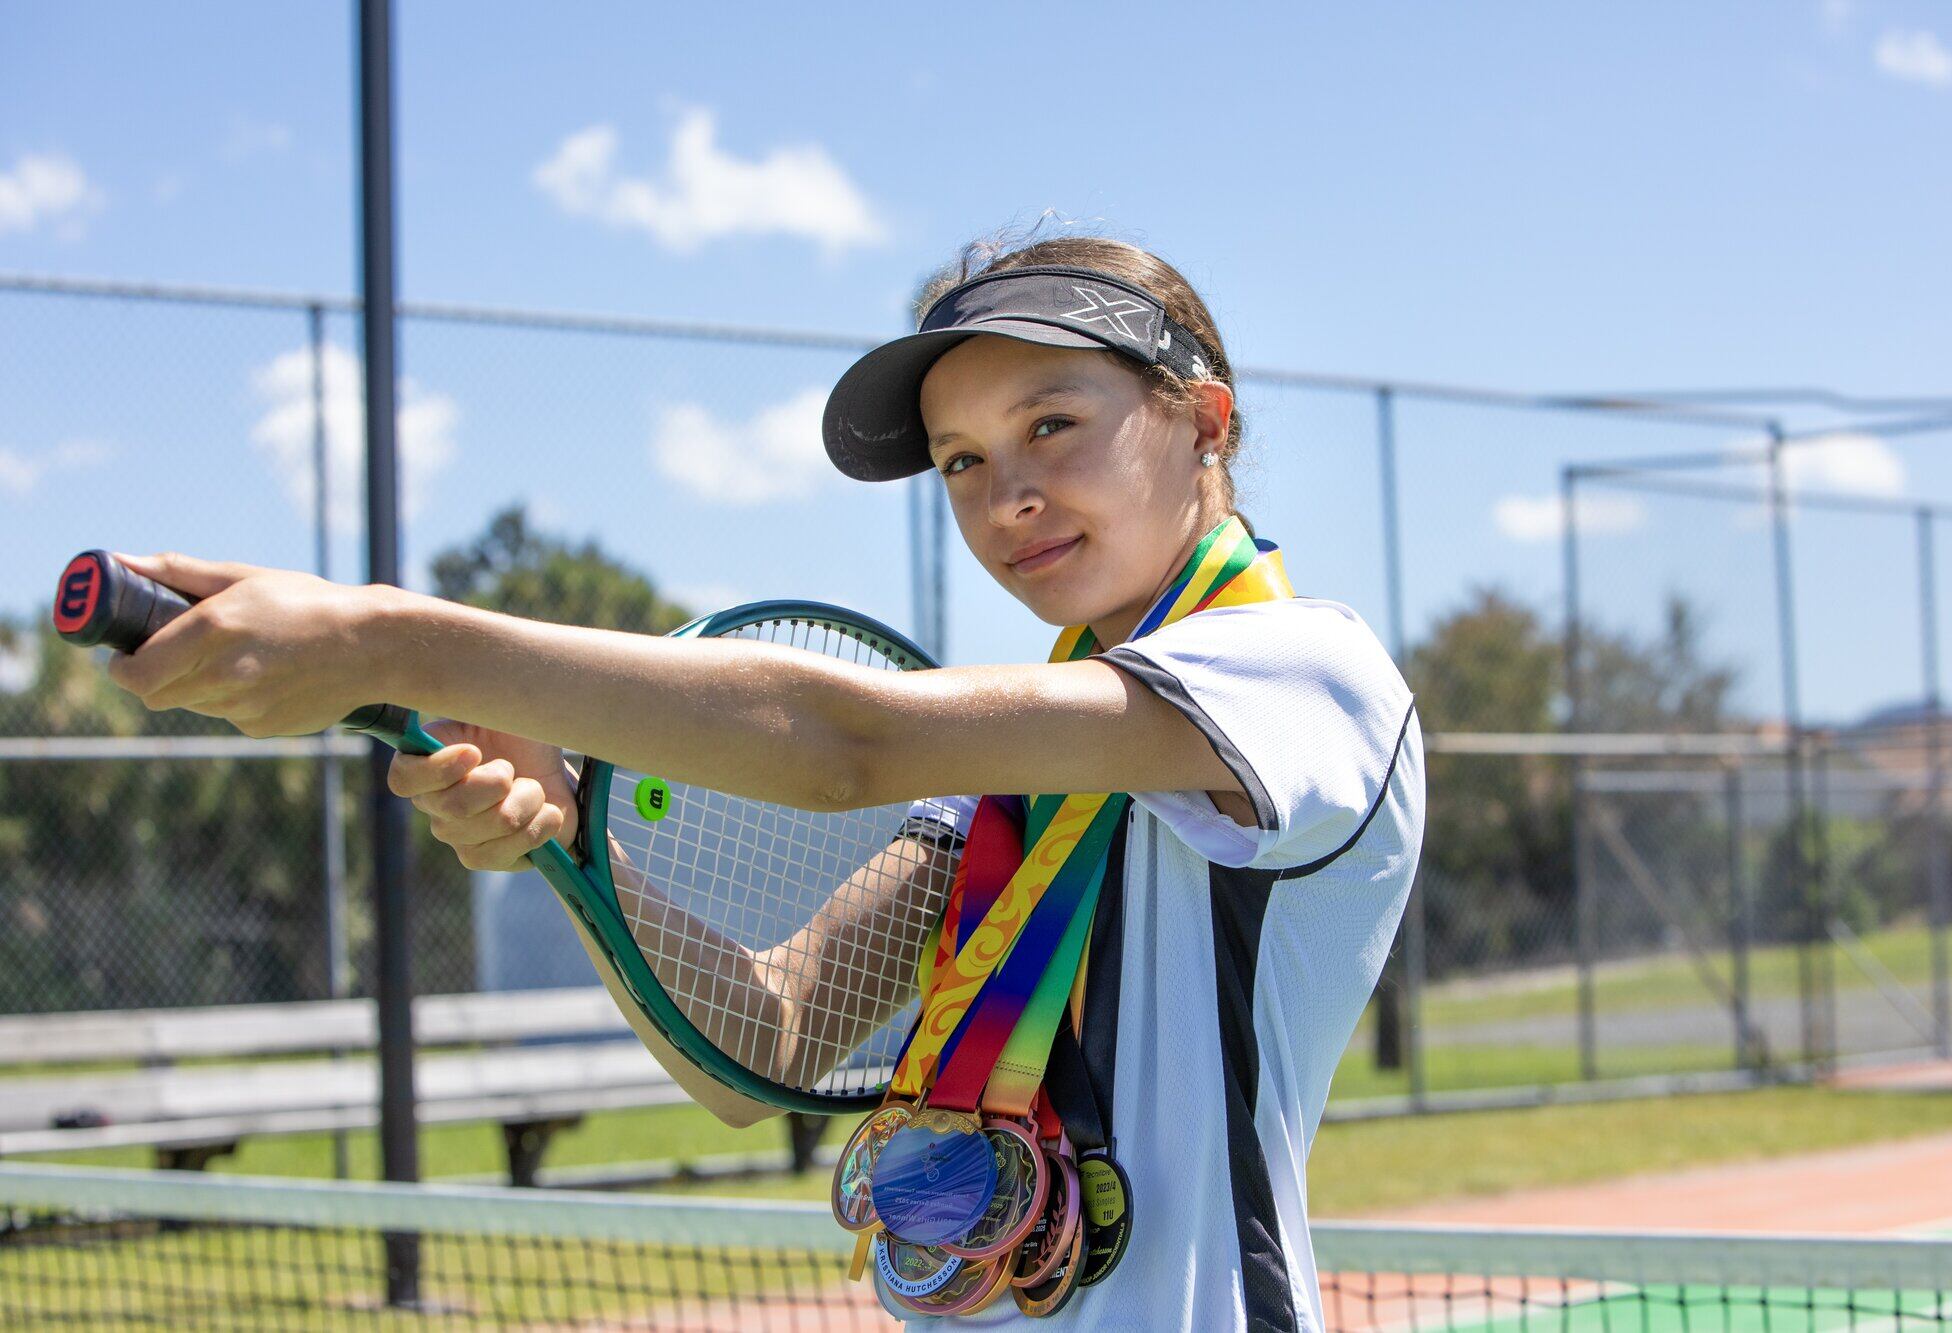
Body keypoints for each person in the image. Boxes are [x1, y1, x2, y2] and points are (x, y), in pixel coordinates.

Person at [103, 228, 1424, 1331]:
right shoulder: (1009, 795)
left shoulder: (1304, 674)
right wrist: (574, 843)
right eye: (962, 459)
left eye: (1053, 423)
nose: (1006, 491)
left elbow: (849, 744)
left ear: (1205, 420)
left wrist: (390, 636)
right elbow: (765, 1043)